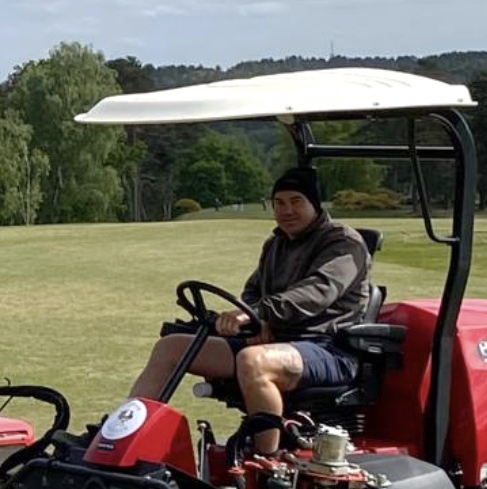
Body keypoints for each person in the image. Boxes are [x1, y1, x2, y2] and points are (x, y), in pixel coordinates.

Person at [126, 166, 372, 454]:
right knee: (172, 347)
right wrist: (255, 320)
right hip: (276, 341)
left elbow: (317, 292)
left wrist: (261, 314)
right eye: (279, 203)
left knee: (253, 361)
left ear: (314, 205)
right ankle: (125, 436)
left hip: (328, 347)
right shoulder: (276, 243)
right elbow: (254, 290)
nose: (287, 210)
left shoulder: (343, 243)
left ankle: (266, 461)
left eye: (296, 201)